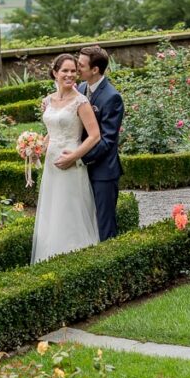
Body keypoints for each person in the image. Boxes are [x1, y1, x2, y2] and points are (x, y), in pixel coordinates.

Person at [30, 53, 101, 263]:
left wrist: (75, 156)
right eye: (65, 71)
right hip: (51, 167)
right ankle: (50, 256)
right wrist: (36, 146)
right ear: (55, 73)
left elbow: (95, 135)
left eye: (73, 71)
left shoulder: (81, 101)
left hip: (71, 163)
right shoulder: (47, 101)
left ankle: (77, 259)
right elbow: (51, 132)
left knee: (70, 211)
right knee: (52, 211)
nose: (70, 75)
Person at [76, 44, 124, 241]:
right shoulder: (80, 88)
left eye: (81, 65)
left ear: (95, 69)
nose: (77, 68)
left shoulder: (112, 97)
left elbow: (107, 141)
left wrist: (79, 156)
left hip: (103, 171)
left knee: (105, 226)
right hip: (80, 170)